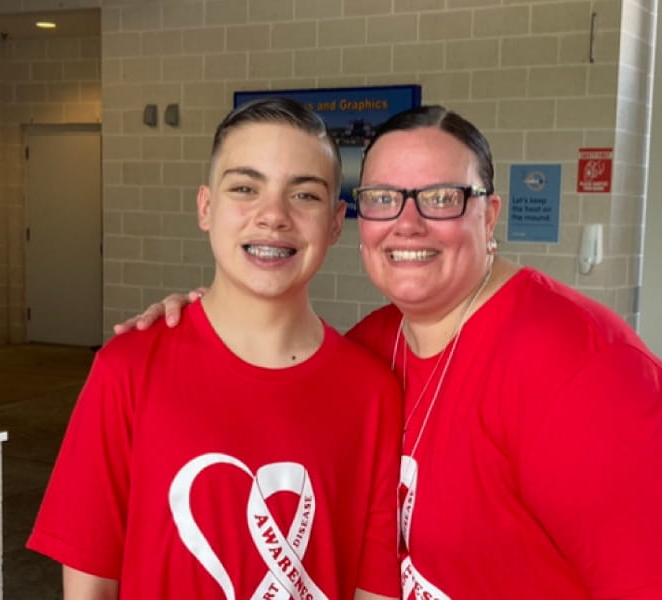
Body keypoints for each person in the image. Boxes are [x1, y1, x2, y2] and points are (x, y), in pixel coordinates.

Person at [117, 105, 662, 600]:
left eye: (441, 197)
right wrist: (194, 321)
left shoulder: (581, 365)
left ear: (489, 215)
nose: (407, 224)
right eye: (384, 197)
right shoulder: (370, 349)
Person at [28, 98, 402, 600]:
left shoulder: (372, 392)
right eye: (245, 188)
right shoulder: (128, 370)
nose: (273, 216)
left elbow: (373, 586)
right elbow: (90, 582)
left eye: (305, 195)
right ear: (206, 207)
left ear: (336, 222)